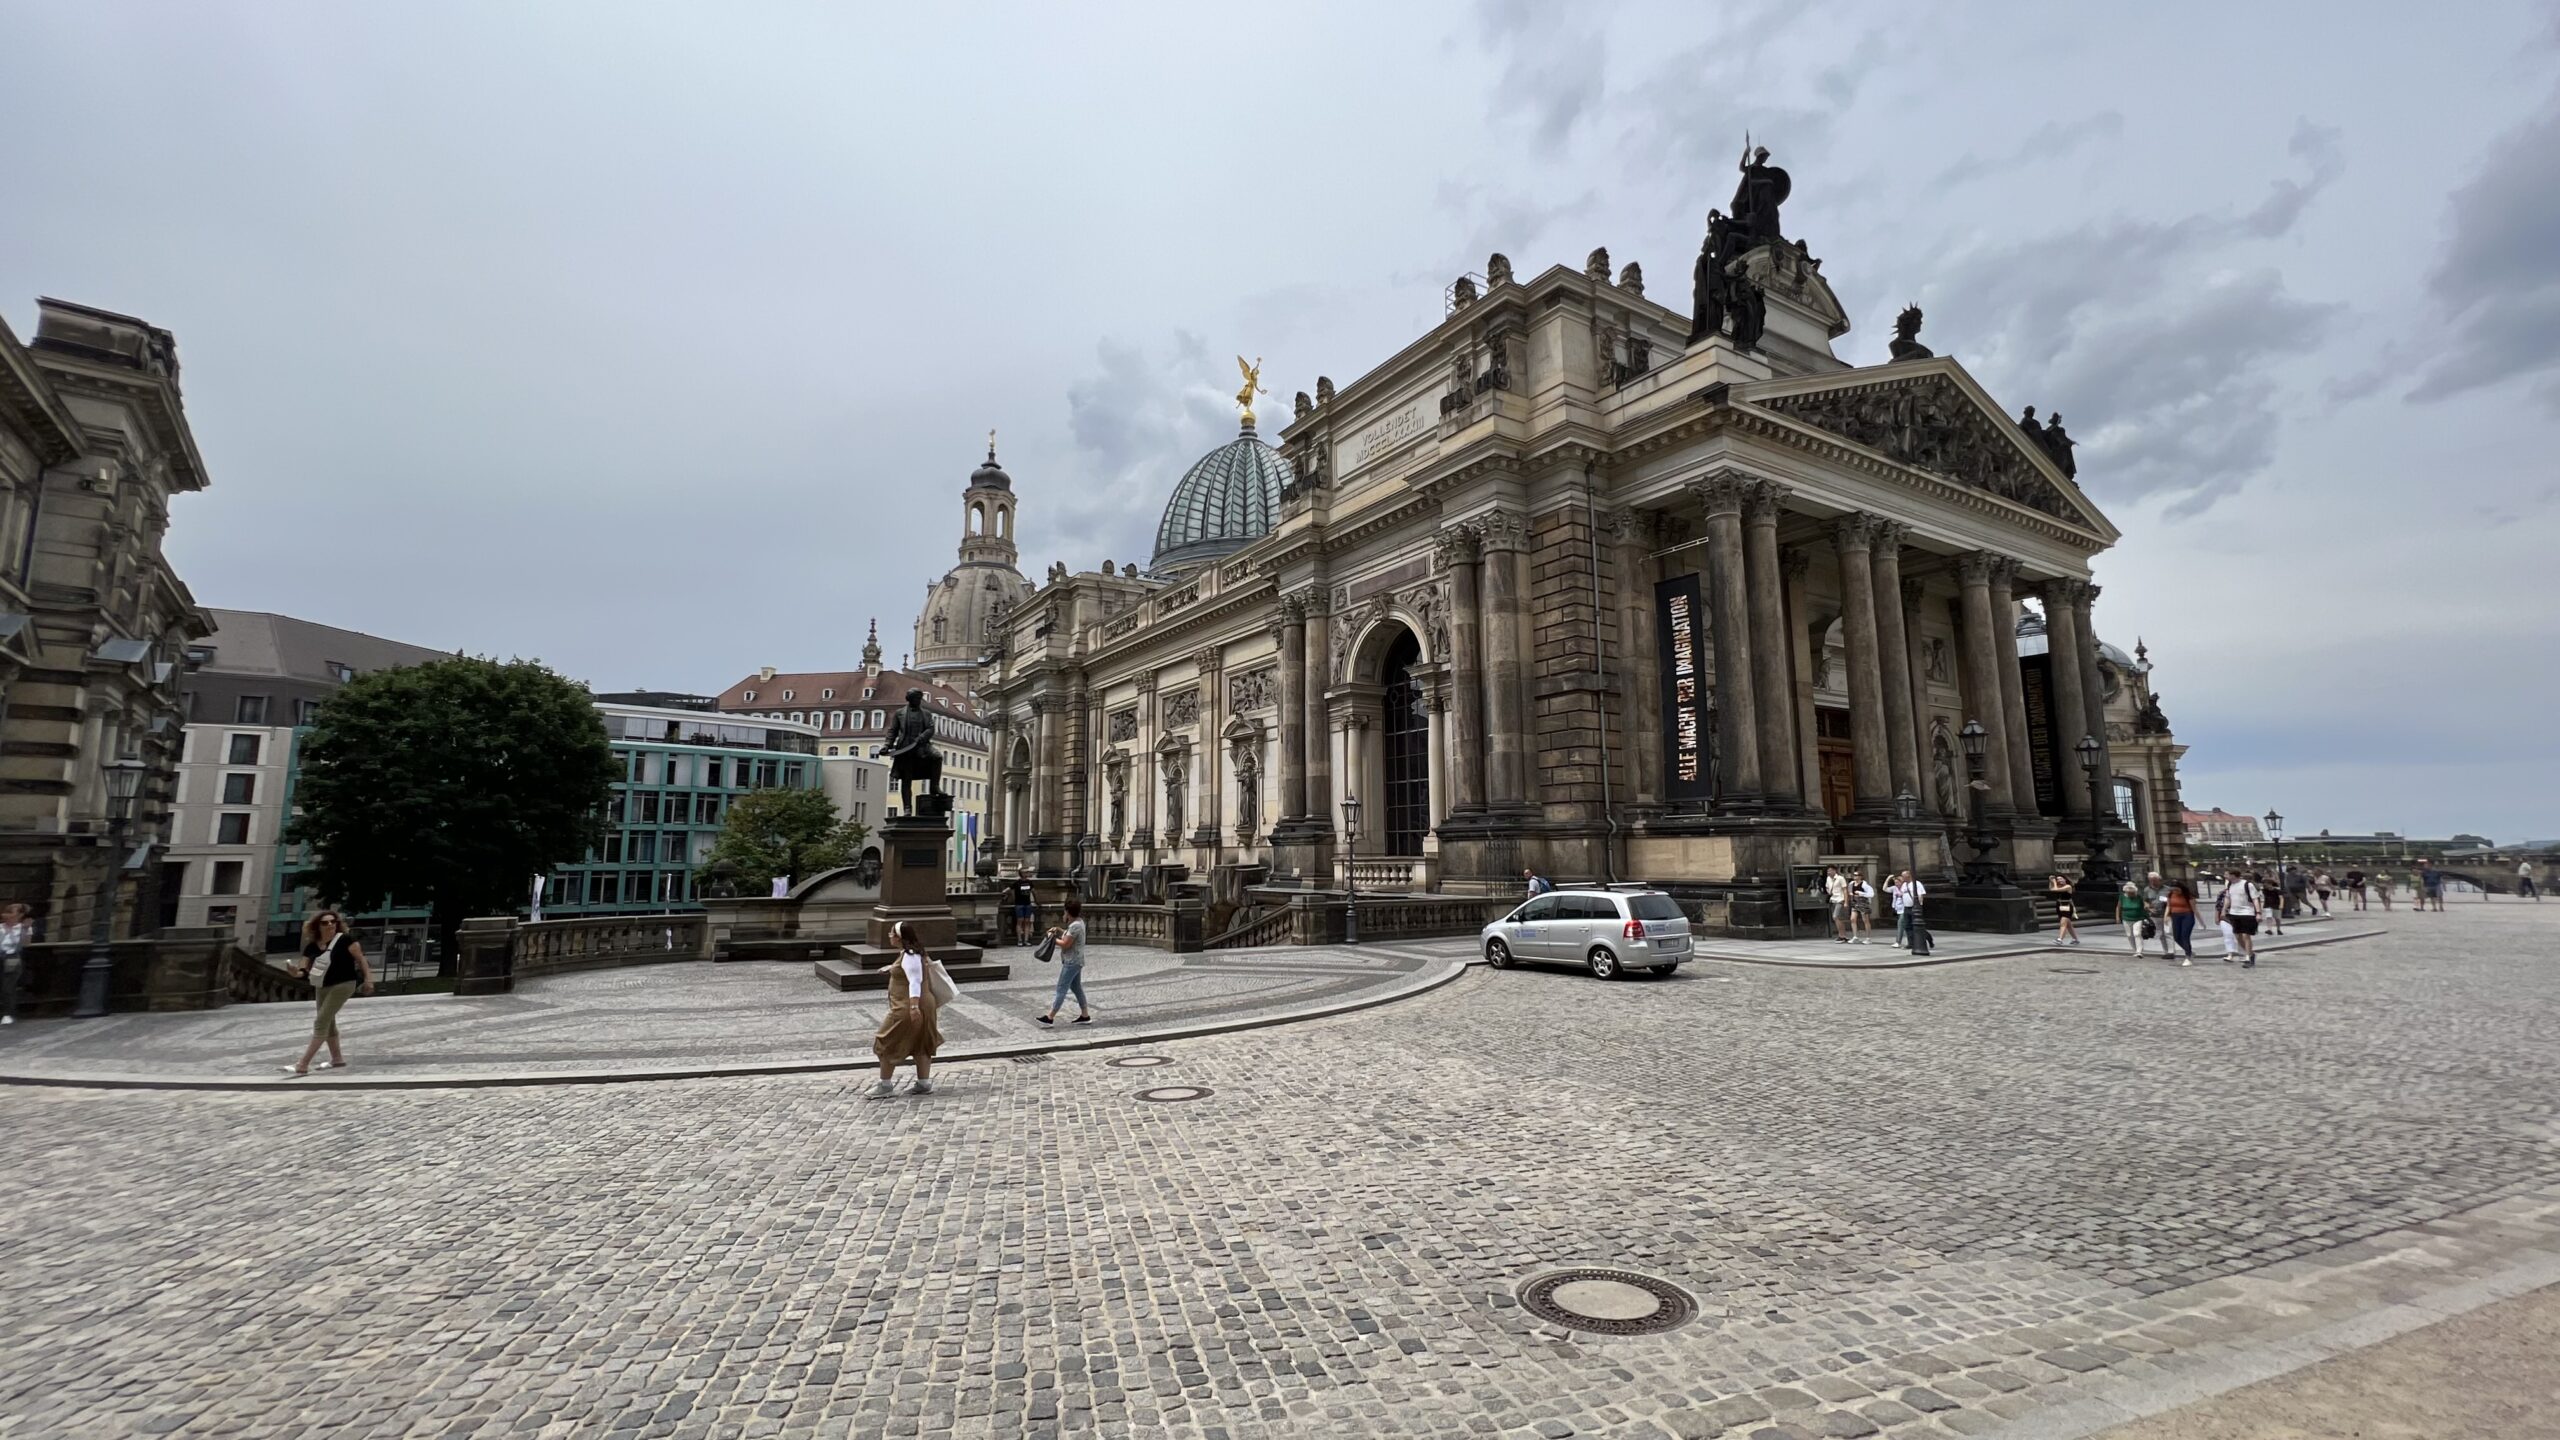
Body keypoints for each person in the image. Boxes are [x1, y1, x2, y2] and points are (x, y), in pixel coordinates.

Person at [286, 910, 374, 1075]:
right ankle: (337, 1058)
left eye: (333, 921)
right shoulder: (311, 946)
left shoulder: (345, 939)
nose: (330, 925)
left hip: (344, 984)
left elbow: (361, 959)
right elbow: (302, 972)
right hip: (321, 986)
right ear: (317, 926)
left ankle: (303, 1064)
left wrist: (368, 980)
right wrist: (293, 972)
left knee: (321, 1021)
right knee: (329, 1021)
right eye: (325, 922)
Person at [868, 919, 942, 1097]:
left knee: (886, 1041)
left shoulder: (910, 956)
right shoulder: (914, 953)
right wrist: (892, 968)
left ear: (899, 938)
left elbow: (915, 980)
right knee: (921, 1042)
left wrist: (914, 1007)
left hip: (907, 1006)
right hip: (924, 1004)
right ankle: (923, 1083)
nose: (889, 936)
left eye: (891, 934)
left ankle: (885, 1085)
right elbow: (910, 970)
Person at [1037, 896, 1091, 1026]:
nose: (1063, 914)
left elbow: (1066, 944)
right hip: (1076, 960)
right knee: (1076, 987)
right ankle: (1085, 1015)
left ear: (1067, 912)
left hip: (1072, 962)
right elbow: (1068, 936)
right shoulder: (1078, 923)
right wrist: (1059, 930)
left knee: (1061, 988)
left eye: (1064, 911)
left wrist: (1051, 938)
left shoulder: (1075, 926)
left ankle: (1050, 1016)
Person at [2222, 869, 2261, 967]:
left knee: (2246, 935)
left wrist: (2258, 913)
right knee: (2238, 936)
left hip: (2247, 912)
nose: (2225, 876)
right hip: (2234, 912)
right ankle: (2251, 953)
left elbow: (2255, 899)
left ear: (2234, 875)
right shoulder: (2229, 885)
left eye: (2227, 874)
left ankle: (2248, 957)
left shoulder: (2247, 885)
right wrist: (2224, 910)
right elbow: (2227, 898)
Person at [0, 901, 30, 1025]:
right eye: (6, 912)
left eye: (10, 912)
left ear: (19, 915)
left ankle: (8, 1013)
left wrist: (24, 930)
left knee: (8, 986)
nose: (6, 915)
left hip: (12, 957)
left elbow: (25, 944)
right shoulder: (0, 927)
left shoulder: (23, 928)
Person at [2164, 878, 2198, 965]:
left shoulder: (2187, 895)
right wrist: (2166, 916)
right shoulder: (2170, 894)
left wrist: (2201, 921)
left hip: (2187, 916)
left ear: (2181, 888)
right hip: (2175, 916)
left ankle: (2188, 957)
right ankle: (2190, 951)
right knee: (2176, 937)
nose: (2175, 891)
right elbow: (2168, 906)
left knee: (2184, 936)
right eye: (2173, 890)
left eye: (2177, 890)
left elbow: (2194, 909)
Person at [1889, 870, 1924, 949]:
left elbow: (1920, 895)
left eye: (1903, 876)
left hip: (1914, 907)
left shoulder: (1916, 884)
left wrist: (1918, 906)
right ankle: (1911, 943)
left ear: (1908, 876)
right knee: (1908, 926)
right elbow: (1901, 893)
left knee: (1917, 926)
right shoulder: (1904, 885)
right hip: (1906, 907)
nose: (1902, 877)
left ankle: (1926, 938)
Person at [2117, 882, 2151, 957]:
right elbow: (2118, 907)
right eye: (2129, 893)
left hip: (2138, 918)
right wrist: (2118, 917)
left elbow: (2145, 903)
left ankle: (2139, 951)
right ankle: (2135, 950)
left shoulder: (2139, 897)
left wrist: (2147, 906)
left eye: (2132, 893)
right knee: (2129, 935)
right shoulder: (2122, 897)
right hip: (2126, 918)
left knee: (2137, 934)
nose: (2131, 894)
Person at [2048, 872, 2080, 946]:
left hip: (2067, 907)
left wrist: (2054, 882)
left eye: (2061, 879)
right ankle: (2075, 939)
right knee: (2069, 925)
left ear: (2065, 879)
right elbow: (2051, 889)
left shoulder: (2068, 886)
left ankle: (2060, 939)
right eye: (2058, 879)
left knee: (2063, 923)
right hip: (2060, 906)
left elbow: (2055, 889)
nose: (2060, 880)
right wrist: (2051, 881)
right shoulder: (2058, 886)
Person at [1826, 867, 1852, 942]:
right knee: (1838, 918)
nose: (1829, 872)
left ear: (1834, 871)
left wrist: (1846, 902)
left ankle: (1841, 935)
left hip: (1840, 899)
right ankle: (1843, 935)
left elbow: (1845, 890)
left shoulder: (1840, 878)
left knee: (1835, 916)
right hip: (1833, 899)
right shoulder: (1828, 879)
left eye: (1830, 871)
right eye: (1828, 871)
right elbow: (1827, 887)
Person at [1012, 882, 1036, 946]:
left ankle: (1025, 940)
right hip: (1019, 904)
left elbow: (1033, 892)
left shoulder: (1029, 882)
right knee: (1020, 921)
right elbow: (1009, 889)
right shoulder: (1017, 883)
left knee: (1027, 922)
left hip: (1027, 904)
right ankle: (1020, 940)